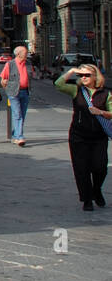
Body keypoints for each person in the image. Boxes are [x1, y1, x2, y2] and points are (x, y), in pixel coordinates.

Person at [55, 64, 111, 211]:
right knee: (82, 168)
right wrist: (72, 71)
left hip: (99, 136)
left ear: (95, 76)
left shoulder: (105, 93)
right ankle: (87, 199)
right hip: (78, 136)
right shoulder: (76, 90)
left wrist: (100, 112)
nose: (83, 78)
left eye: (87, 75)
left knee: (100, 167)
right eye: (81, 75)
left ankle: (96, 190)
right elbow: (58, 84)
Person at [0, 45, 32, 145]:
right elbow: (3, 80)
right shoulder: (10, 64)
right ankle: (20, 137)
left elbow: (32, 75)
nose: (27, 54)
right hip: (14, 93)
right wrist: (8, 90)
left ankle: (15, 134)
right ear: (18, 54)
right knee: (17, 114)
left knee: (22, 114)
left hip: (25, 92)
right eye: (25, 53)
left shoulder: (28, 63)